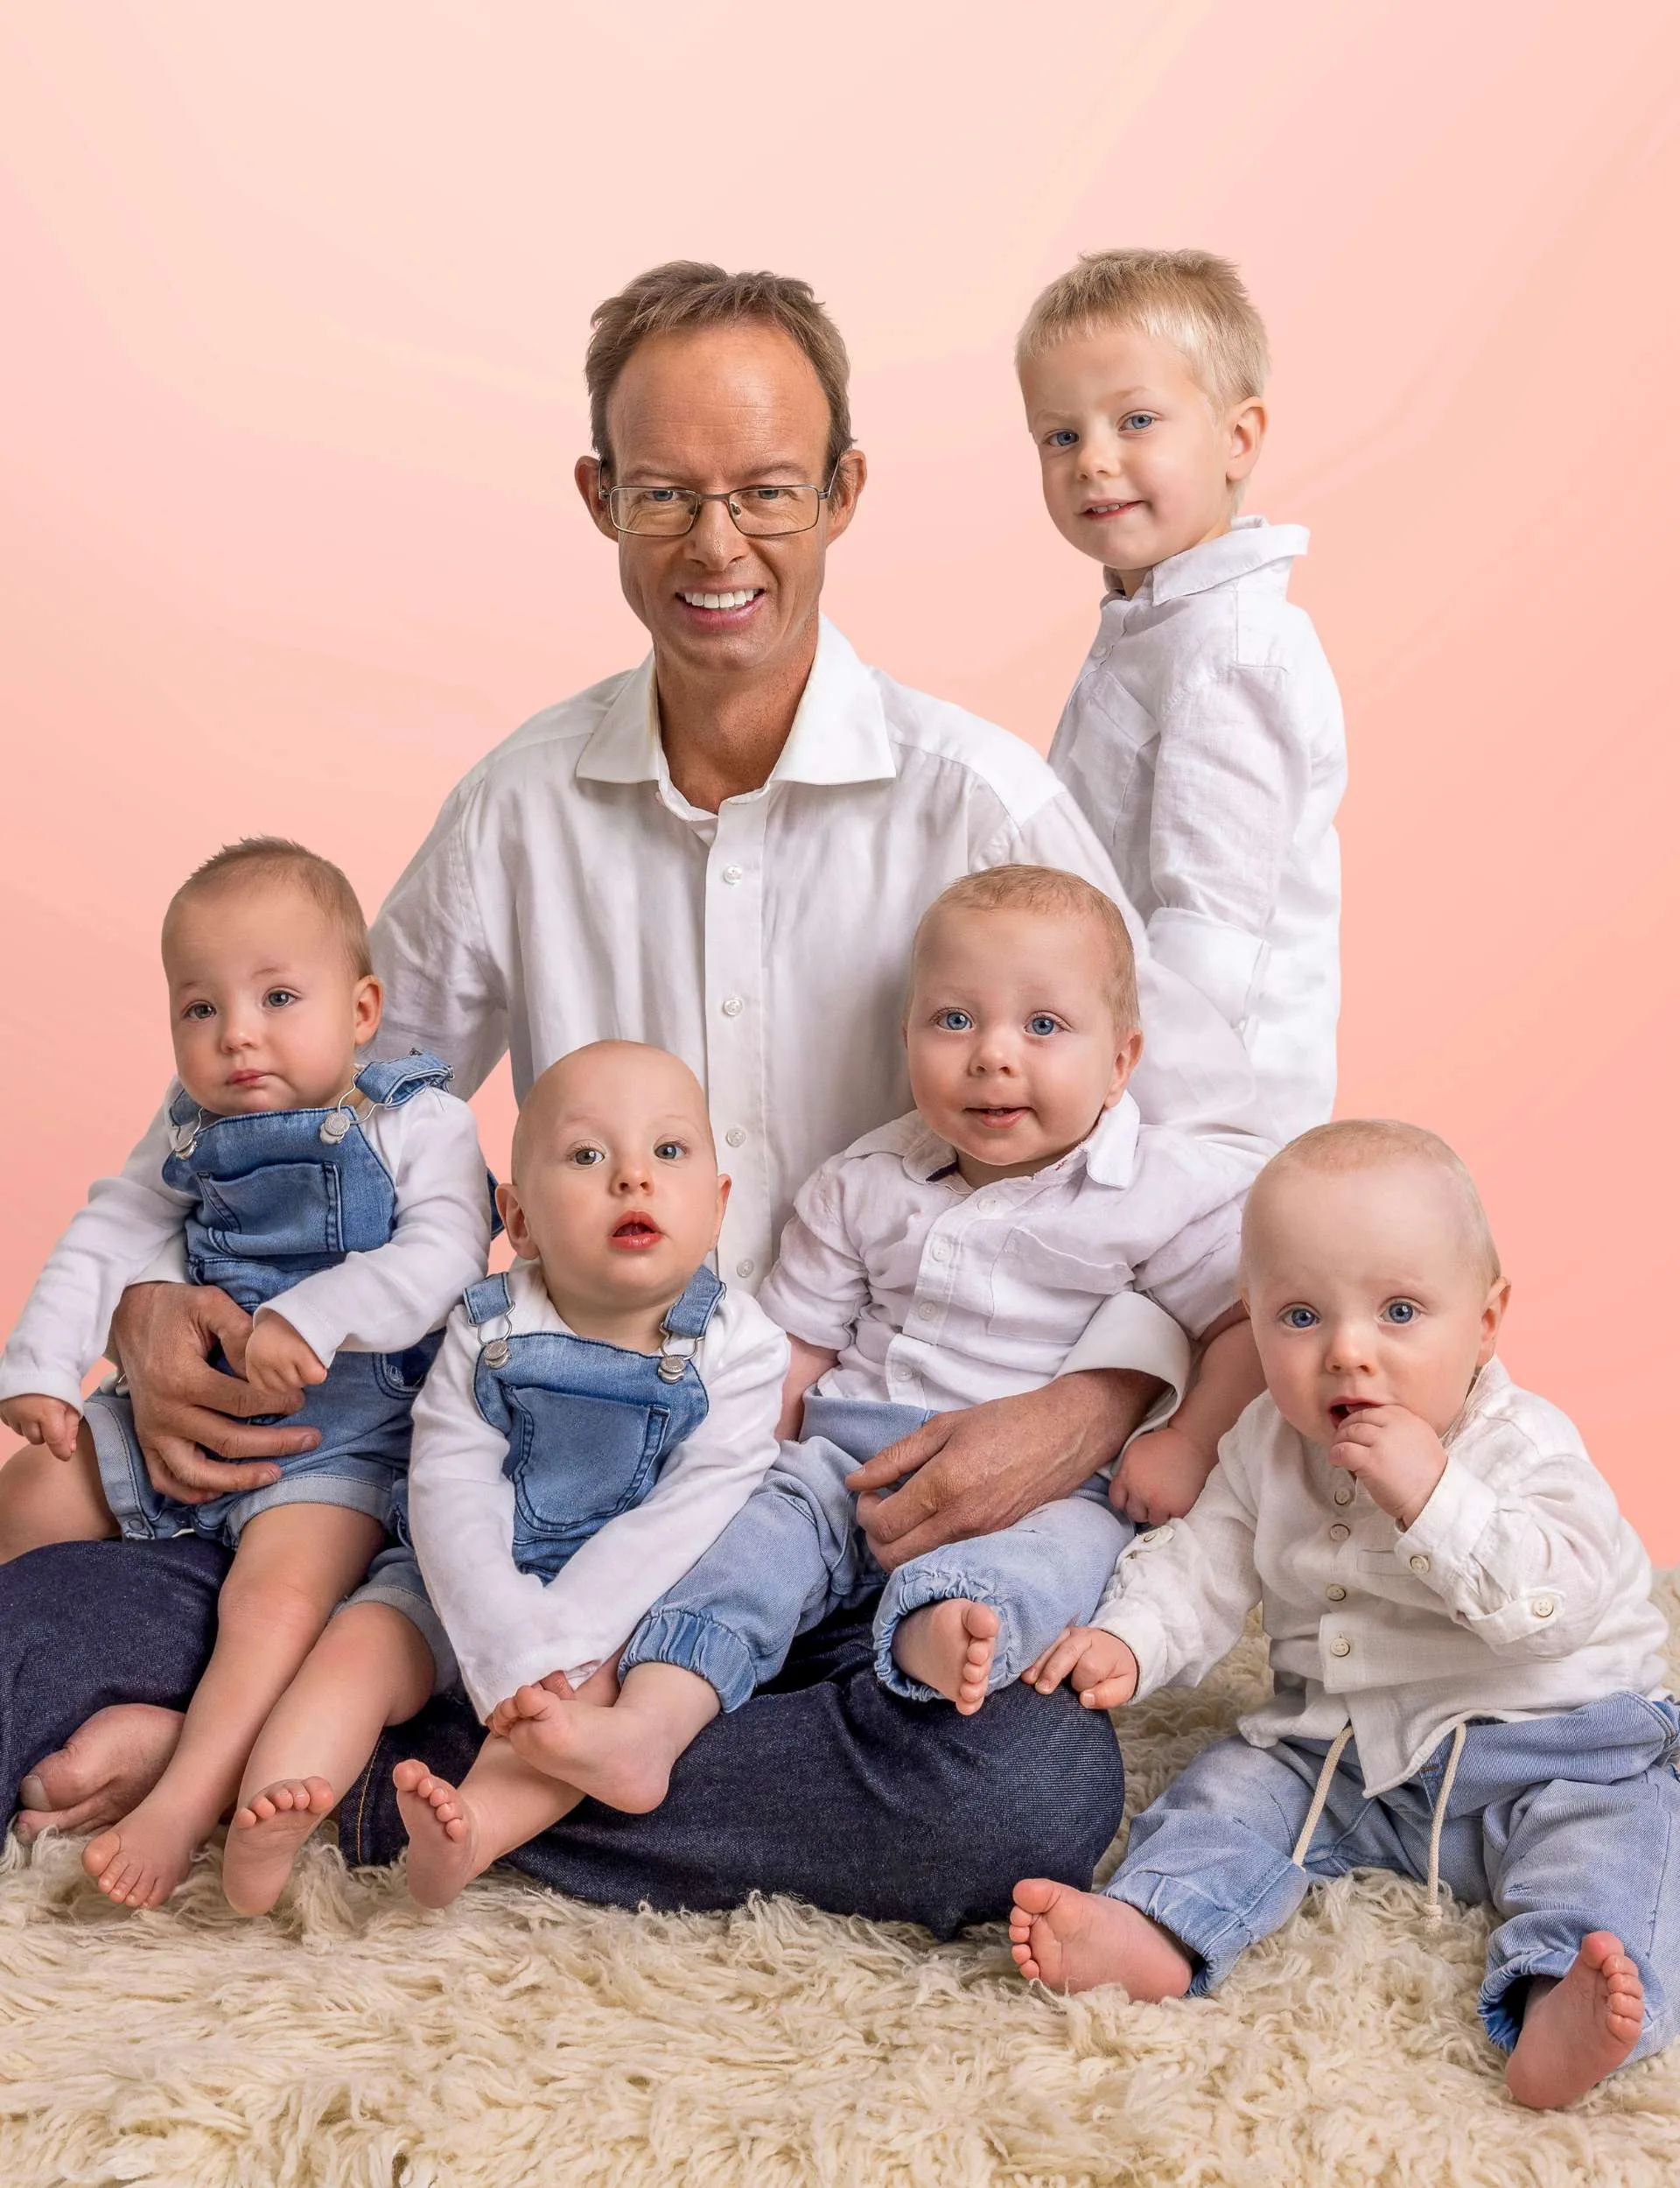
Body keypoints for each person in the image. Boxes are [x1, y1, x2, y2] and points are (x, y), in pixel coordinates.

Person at [5, 262, 1268, 1934]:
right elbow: (329, 1074)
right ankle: (369, 1714)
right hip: (524, 1470)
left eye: (762, 493)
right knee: (38, 1613)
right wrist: (158, 1296)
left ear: (843, 495)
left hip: (840, 1503)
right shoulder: (526, 803)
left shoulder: (981, 804)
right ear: (600, 497)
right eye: (665, 495)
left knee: (1024, 1791)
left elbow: (1180, 1168)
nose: (716, 545)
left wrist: (1107, 1407)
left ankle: (342, 1769)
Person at [490, 865, 1264, 1818]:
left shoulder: (1158, 1192)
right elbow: (793, 1353)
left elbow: (1242, 1322)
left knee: (1065, 1557)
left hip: (1046, 1488)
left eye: (1045, 1027)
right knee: (749, 1545)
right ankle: (649, 1720)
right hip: (845, 1455)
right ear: (906, 1041)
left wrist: (1184, 1440)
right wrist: (716, 1471)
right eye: (953, 1021)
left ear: (1121, 1060)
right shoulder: (865, 1181)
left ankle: (938, 1630)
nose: (993, 1057)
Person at [1008, 1120, 1678, 2111]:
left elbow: (1554, 1606)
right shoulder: (1265, 1442)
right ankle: (1156, 1922)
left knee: (1622, 1850)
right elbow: (1204, 1555)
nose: (1348, 1353)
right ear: (1252, 1315)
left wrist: (1434, 1494)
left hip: (1555, 1750)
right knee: (1232, 1787)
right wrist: (1132, 1638)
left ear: (1487, 1321)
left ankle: (1556, 2000)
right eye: (1301, 1315)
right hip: (1348, 1751)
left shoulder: (1524, 1448)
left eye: (1401, 1311)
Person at [0, 839, 492, 1909]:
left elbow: (446, 1255)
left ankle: (181, 1801)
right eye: (199, 1009)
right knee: (30, 1489)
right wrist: (41, 1366)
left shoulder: (418, 1120)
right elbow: (109, 1233)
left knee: (275, 1601)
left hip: (343, 1436)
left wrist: (313, 1314)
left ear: (363, 1009)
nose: (238, 1036)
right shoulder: (191, 1128)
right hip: (184, 1405)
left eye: (277, 996)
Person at [222, 1041, 786, 1915]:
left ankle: (474, 1827)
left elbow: (686, 1515)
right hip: (455, 1578)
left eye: (668, 1152)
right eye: (589, 1156)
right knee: (359, 1645)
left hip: (606, 1604)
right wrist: (499, 1630)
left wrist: (559, 1638)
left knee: (580, 1711)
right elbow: (449, 1487)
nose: (633, 1178)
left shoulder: (741, 1349)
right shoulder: (488, 1325)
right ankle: (276, 1808)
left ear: (716, 1209)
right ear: (517, 1220)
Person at [1021, 249, 1346, 1143]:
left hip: (1198, 1120)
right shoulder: (1153, 624)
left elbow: (1211, 930)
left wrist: (1116, 1113)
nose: (1093, 460)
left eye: (1135, 420)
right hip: (1124, 1075)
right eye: (1060, 435)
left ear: (1237, 438)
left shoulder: (1228, 651)